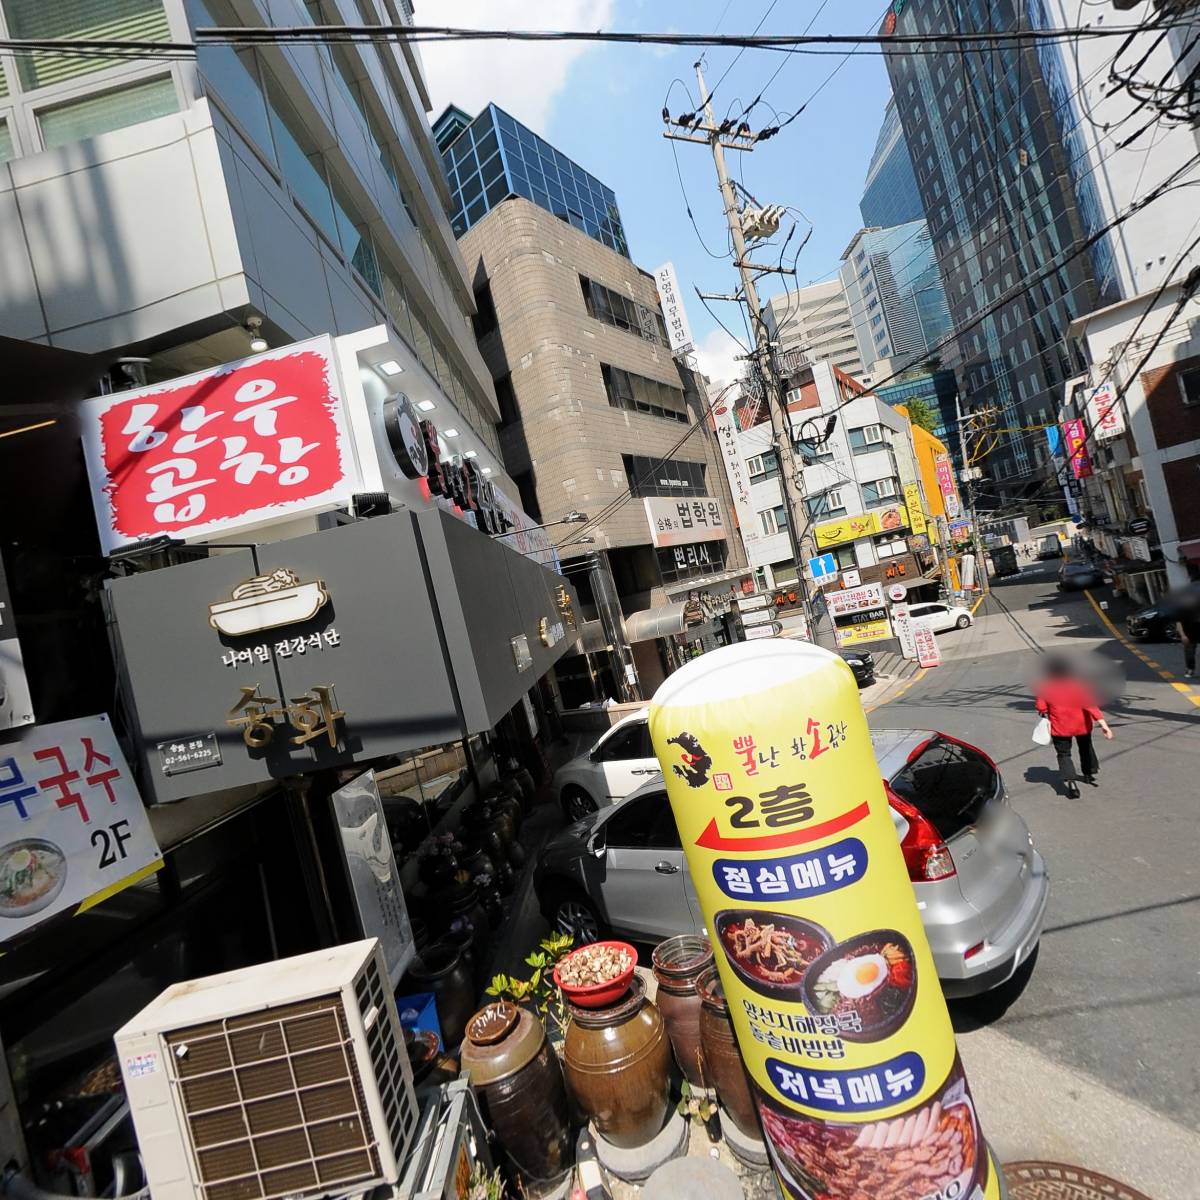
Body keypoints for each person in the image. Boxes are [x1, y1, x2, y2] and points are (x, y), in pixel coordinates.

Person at [1035, 655, 1113, 798]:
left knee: (1064, 754)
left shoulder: (1045, 687)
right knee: (1085, 747)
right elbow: (1090, 705)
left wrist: (1048, 710)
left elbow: (1041, 707)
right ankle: (1089, 773)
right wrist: (1104, 724)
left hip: (1060, 728)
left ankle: (1071, 781)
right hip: (1082, 725)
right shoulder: (1078, 685)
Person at [1177, 594, 1200, 679]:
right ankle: (1190, 669)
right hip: (1189, 635)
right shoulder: (1181, 610)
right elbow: (1178, 624)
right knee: (1189, 654)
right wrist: (1183, 635)